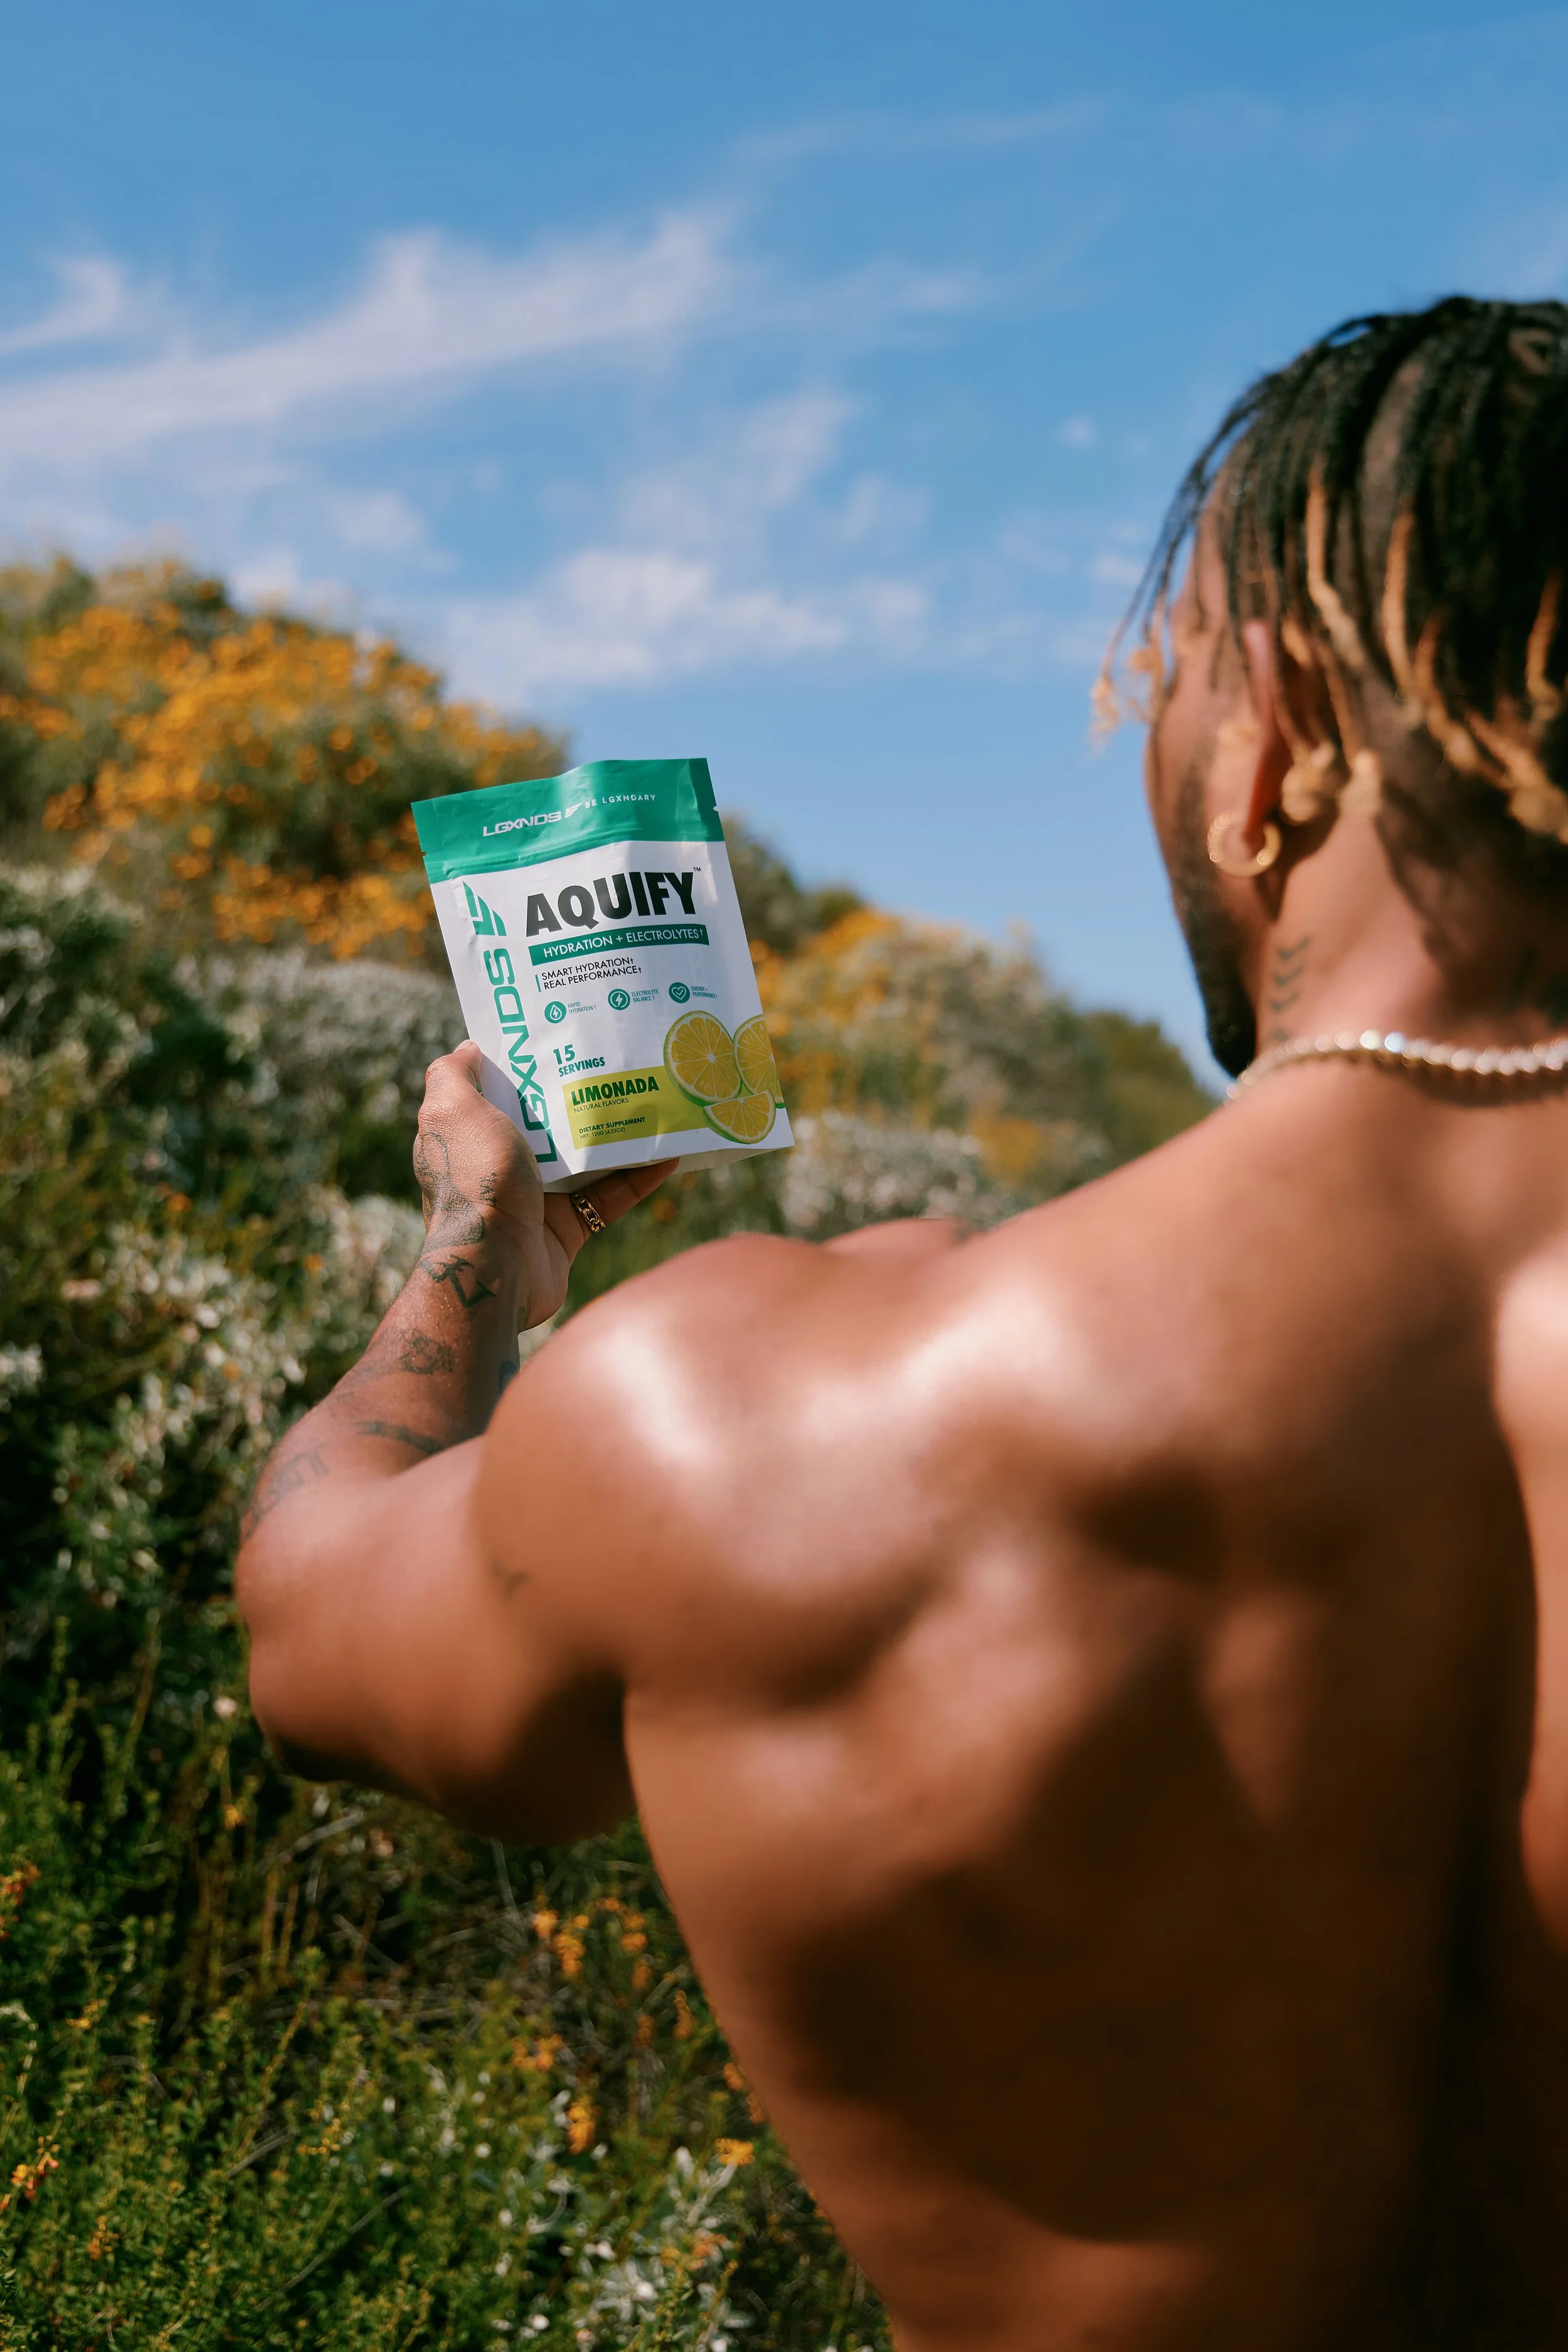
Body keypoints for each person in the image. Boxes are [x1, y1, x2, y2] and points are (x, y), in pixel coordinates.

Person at [238, 296, 1568, 2349]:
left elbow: (303, 1619)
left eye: (1171, 680)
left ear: (1278, 740)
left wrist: (481, 1256)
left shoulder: (774, 1408)